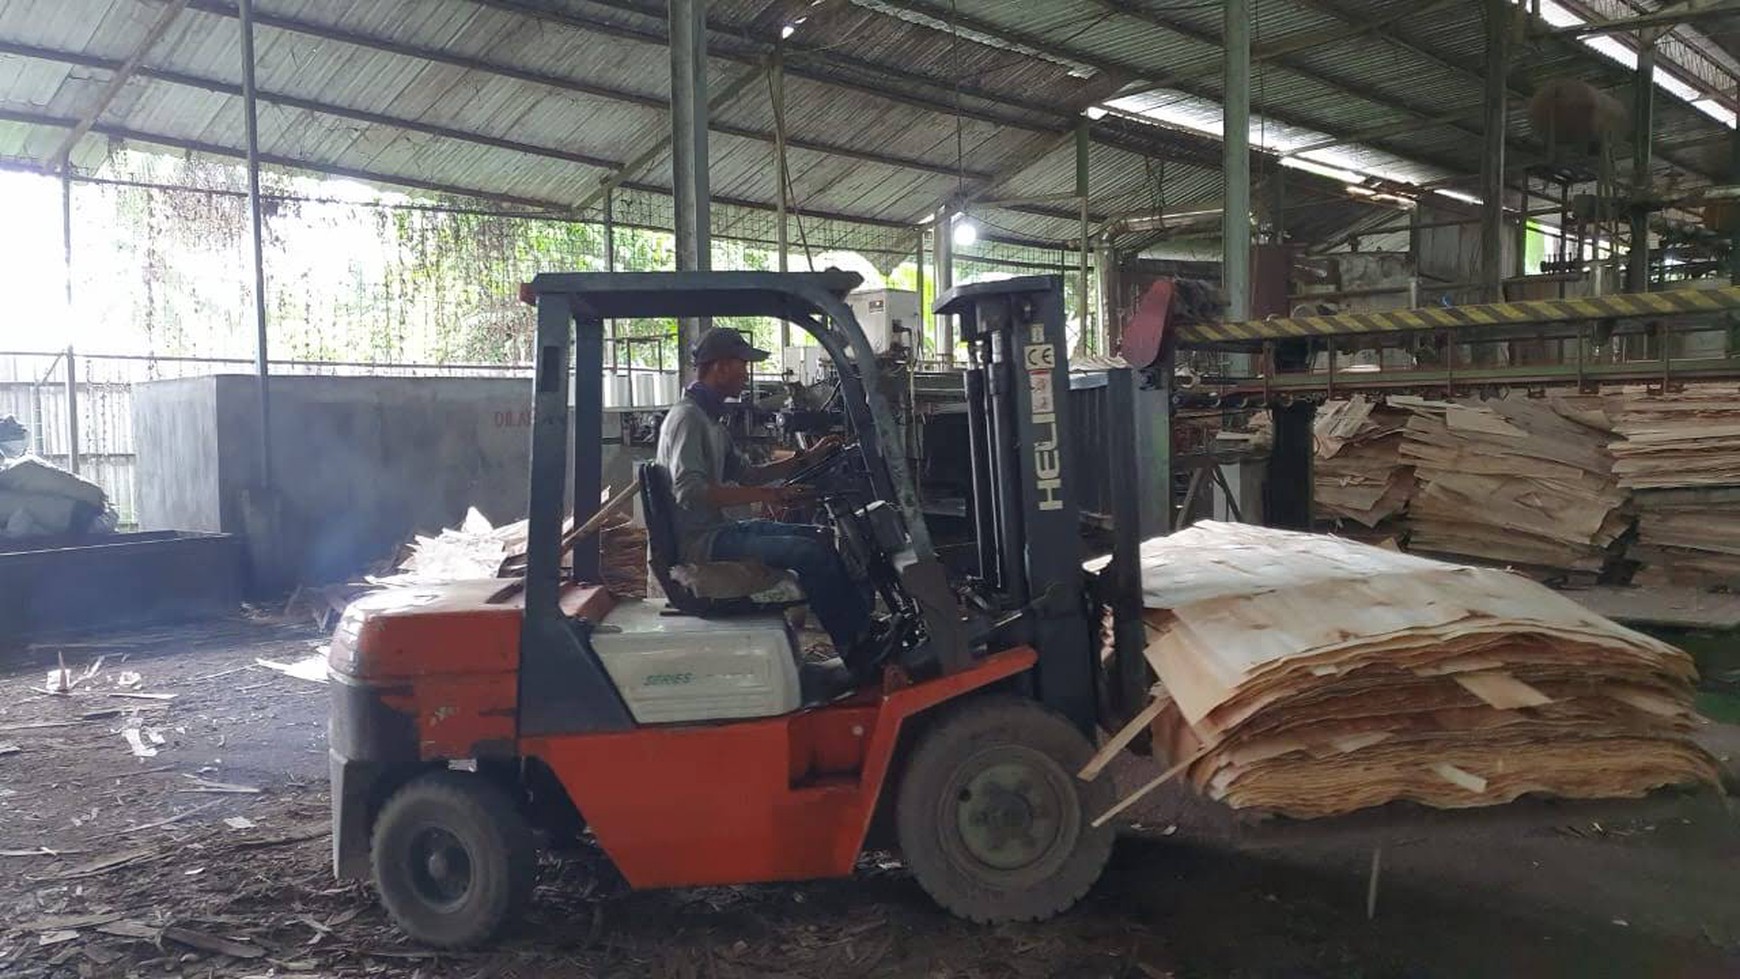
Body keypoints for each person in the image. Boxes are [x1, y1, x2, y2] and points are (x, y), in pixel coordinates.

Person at [655, 326, 874, 668]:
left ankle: (864, 632)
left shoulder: (711, 420)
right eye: (744, 364)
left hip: (720, 531)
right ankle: (858, 651)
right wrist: (770, 494)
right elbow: (690, 491)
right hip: (701, 542)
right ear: (721, 366)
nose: (747, 373)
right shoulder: (687, 419)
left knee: (819, 537)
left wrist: (807, 457)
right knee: (808, 553)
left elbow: (748, 474)